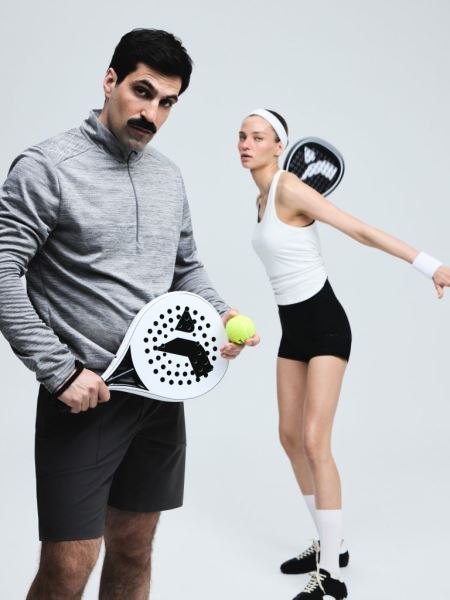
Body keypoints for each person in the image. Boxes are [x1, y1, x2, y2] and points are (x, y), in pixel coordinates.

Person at [0, 29, 259, 600]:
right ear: (110, 81)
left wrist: (221, 313)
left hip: (160, 394)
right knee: (68, 568)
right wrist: (58, 371)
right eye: (143, 92)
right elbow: (1, 270)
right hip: (85, 396)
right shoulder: (47, 167)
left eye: (167, 102)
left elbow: (185, 268)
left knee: (136, 549)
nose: (152, 113)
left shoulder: (167, 175)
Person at [238, 108, 450, 600]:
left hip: (327, 327)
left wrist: (429, 265)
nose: (246, 144)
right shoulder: (260, 198)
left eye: (258, 137)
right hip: (293, 332)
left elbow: (359, 230)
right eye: (242, 136)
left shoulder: (289, 188)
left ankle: (329, 574)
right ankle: (331, 542)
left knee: (315, 441)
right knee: (289, 436)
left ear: (279, 146)